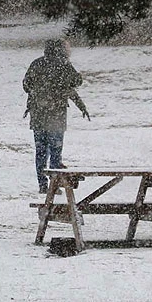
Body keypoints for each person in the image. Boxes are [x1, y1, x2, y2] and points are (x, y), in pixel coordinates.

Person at [23, 39, 90, 193]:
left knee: (40, 151)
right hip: (56, 114)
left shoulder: (36, 64)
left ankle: (42, 185)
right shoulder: (63, 64)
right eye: (67, 48)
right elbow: (76, 82)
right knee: (55, 151)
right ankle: (54, 183)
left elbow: (26, 84)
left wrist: (39, 92)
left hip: (38, 114)